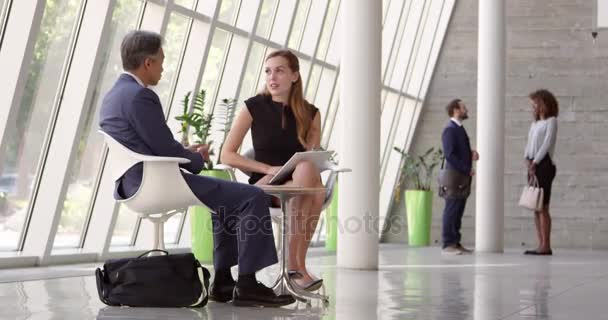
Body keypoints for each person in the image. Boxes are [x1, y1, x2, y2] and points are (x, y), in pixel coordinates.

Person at [99, 30, 295, 307]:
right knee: (252, 196)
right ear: (147, 63)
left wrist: (186, 153)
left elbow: (152, 145)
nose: (163, 67)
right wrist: (198, 159)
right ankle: (249, 284)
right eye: (162, 60)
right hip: (155, 180)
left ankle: (225, 282)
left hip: (135, 181)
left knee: (225, 200)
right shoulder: (141, 96)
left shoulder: (113, 97)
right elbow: (165, 149)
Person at [221, 50, 324, 291]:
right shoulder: (253, 107)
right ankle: (297, 267)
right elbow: (227, 154)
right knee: (314, 192)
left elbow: (310, 157)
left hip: (297, 184)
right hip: (266, 185)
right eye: (268, 71)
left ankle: (294, 265)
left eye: (279, 70)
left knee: (309, 173)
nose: (272, 77)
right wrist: (267, 168)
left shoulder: (311, 114)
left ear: (295, 76)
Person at [440, 99, 479, 255]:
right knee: (451, 209)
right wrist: (466, 168)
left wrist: (470, 153)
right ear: (456, 110)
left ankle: (455, 242)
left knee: (458, 209)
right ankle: (448, 244)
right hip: (454, 176)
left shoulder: (459, 128)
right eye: (464, 107)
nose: (466, 109)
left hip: (460, 176)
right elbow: (449, 155)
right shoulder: (450, 129)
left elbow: (458, 151)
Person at [523, 89, 558, 255]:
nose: (533, 107)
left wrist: (535, 162)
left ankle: (546, 245)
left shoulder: (551, 122)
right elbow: (529, 143)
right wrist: (527, 159)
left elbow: (547, 144)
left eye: (535, 103)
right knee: (535, 206)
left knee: (543, 206)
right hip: (532, 164)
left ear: (544, 103)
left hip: (544, 165)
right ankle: (540, 244)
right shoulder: (534, 124)